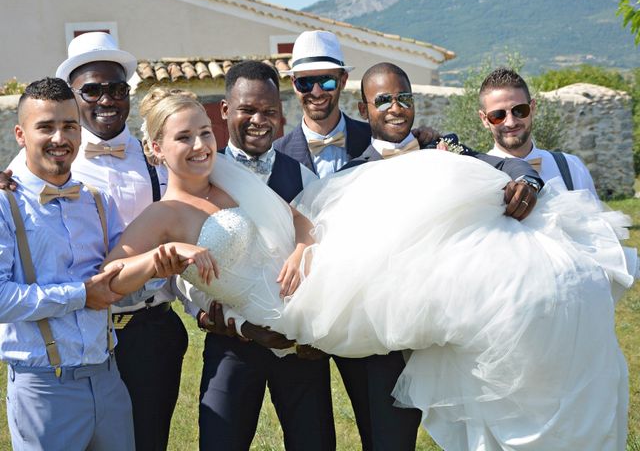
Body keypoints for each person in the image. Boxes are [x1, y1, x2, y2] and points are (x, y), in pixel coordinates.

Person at [104, 84, 634, 451]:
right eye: (183, 137)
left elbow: (298, 222)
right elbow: (102, 286)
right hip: (293, 314)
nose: (200, 145)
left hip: (320, 278)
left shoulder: (230, 180)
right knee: (451, 287)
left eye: (203, 131)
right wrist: (157, 261)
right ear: (155, 149)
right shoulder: (162, 217)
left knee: (471, 262)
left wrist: (301, 248)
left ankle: (546, 365)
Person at [333, 62, 543, 450]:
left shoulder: (442, 148)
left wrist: (526, 180)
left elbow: (505, 163)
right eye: (383, 100)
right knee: (388, 441)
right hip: (386, 339)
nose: (396, 108)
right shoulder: (349, 176)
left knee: (477, 435)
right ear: (364, 110)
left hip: (455, 330)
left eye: (404, 98)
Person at [4, 32, 188, 451]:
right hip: (57, 348)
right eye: (92, 90)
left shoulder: (152, 157)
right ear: (74, 94)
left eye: (117, 89)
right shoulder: (34, 163)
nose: (107, 99)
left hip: (142, 330)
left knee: (147, 439)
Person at [187, 61, 336, 450]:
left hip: (298, 348)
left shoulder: (304, 177)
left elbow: (324, 247)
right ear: (224, 111)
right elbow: (185, 258)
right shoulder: (204, 175)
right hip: (231, 342)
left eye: (269, 111)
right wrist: (209, 315)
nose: (259, 120)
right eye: (247, 110)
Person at [0, 77, 135, 450]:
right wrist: (80, 295)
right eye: (46, 127)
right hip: (43, 388)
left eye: (69, 126)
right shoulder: (3, 203)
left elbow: (120, 277)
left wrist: (164, 264)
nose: (60, 138)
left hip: (107, 378)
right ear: (20, 134)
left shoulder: (98, 201)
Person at [480, 67, 598, 197]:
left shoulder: (571, 167)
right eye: (498, 115)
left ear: (532, 108)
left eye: (519, 110)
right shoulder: (478, 176)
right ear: (484, 119)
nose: (511, 122)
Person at [273, 30, 371, 178]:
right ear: (294, 84)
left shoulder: (374, 139)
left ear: (343, 81)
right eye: (305, 83)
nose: (316, 92)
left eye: (326, 81)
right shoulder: (277, 155)